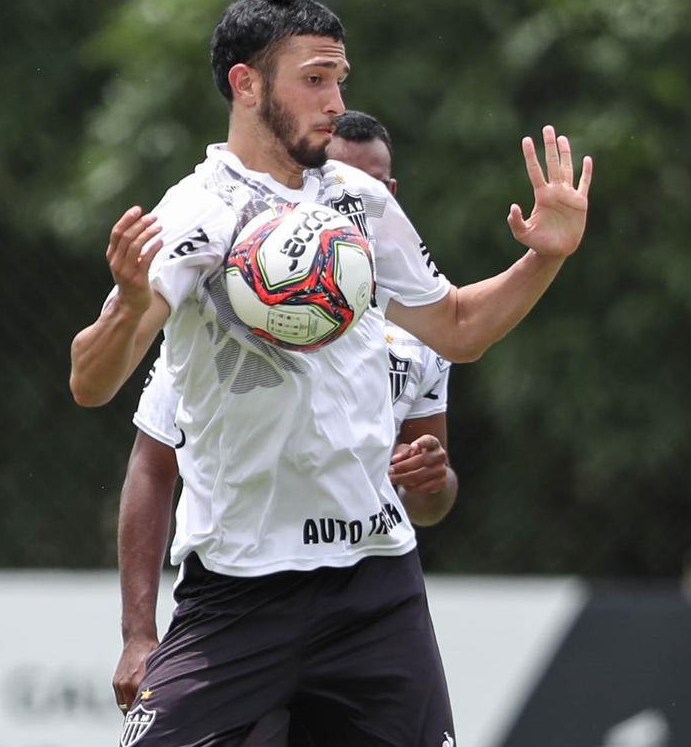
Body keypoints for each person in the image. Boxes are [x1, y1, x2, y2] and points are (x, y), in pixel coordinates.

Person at [70, 0, 591, 747]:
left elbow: (458, 329)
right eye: (314, 79)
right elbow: (91, 381)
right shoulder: (195, 214)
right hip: (239, 594)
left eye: (340, 78)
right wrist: (123, 301)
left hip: (374, 585)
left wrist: (543, 257)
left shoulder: (358, 202)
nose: (335, 100)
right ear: (246, 84)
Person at [111, 111, 458, 722]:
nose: (326, 212)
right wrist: (139, 632)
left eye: (357, 186)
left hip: (367, 590)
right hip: (239, 596)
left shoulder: (418, 334)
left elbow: (432, 501)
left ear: (383, 198)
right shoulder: (228, 320)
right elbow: (151, 465)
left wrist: (433, 481)